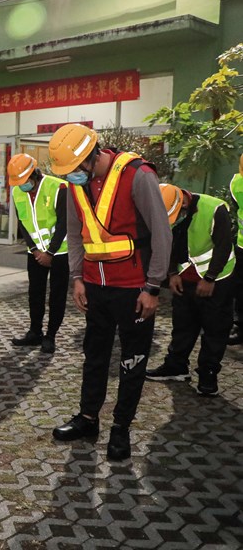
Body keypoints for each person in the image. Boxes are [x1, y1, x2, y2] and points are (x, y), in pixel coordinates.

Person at [48, 124, 171, 462]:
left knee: (132, 360)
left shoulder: (138, 175)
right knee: (95, 355)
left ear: (92, 156)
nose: (71, 176)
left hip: (134, 289)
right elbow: (75, 233)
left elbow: (162, 233)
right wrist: (77, 277)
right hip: (95, 286)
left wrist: (153, 286)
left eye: (74, 169)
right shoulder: (77, 185)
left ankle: (121, 428)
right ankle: (88, 419)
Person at [146, 184, 234, 396]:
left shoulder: (214, 209)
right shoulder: (167, 210)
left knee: (215, 329)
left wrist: (210, 278)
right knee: (183, 325)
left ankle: (208, 374)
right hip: (184, 279)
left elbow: (224, 246)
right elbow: (169, 244)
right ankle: (176, 366)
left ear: (183, 203)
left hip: (217, 280)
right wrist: (172, 274)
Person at [6, 154, 69, 354]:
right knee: (35, 294)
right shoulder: (17, 192)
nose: (21, 185)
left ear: (35, 173)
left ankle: (50, 336)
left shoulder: (58, 188)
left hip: (60, 253)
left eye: (25, 181)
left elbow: (64, 223)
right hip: (34, 253)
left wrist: (50, 252)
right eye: (18, 182)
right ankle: (35, 332)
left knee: (57, 296)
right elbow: (22, 224)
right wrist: (34, 250)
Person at [227, 155, 243, 346]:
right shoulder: (237, 184)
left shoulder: (237, 183)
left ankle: (240, 327)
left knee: (241, 290)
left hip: (241, 246)